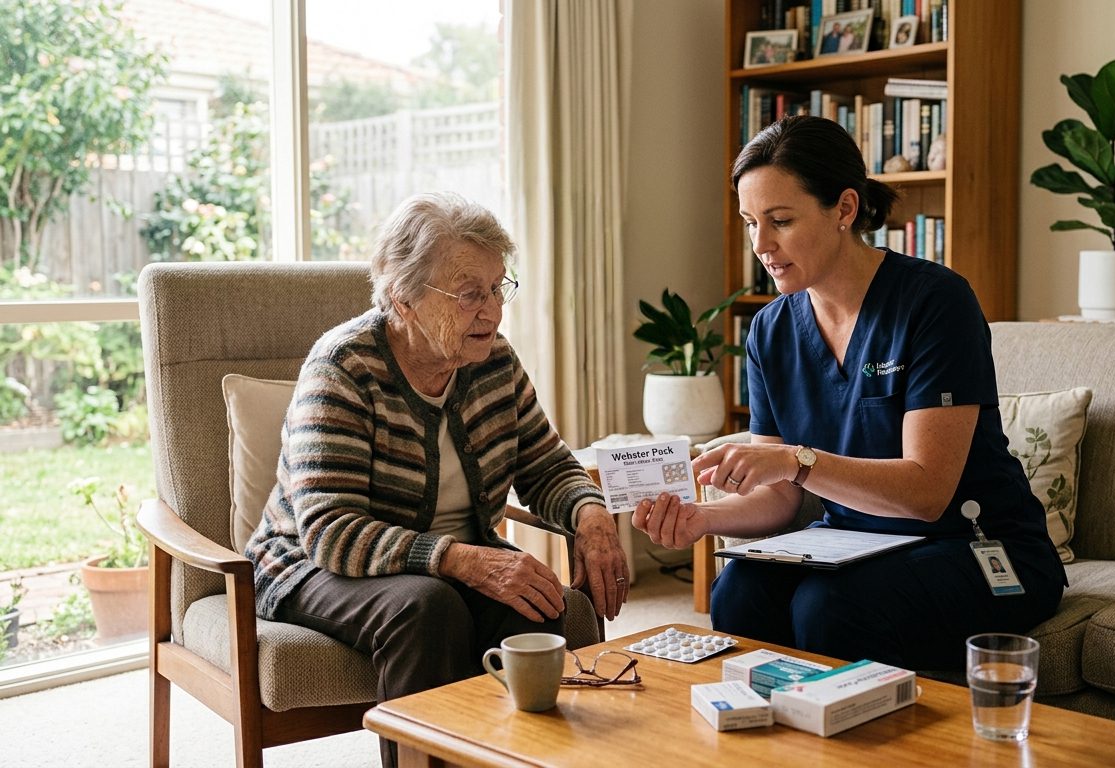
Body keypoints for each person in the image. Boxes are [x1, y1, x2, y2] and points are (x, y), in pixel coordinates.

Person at [632, 115, 1065, 671]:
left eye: (781, 221)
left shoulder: (936, 303)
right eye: (749, 223)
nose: (761, 245)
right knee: (738, 588)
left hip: (980, 545)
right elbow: (783, 496)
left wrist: (795, 460)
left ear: (844, 208)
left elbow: (927, 492)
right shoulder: (770, 329)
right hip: (852, 543)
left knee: (831, 605)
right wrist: (704, 519)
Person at [245, 192, 628, 768]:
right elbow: (329, 530)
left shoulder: (494, 361)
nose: (493, 312)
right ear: (403, 298)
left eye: (499, 288)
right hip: (311, 564)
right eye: (470, 294)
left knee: (538, 602)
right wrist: (462, 560)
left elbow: (546, 464)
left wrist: (591, 516)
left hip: (445, 559)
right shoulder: (344, 368)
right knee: (426, 607)